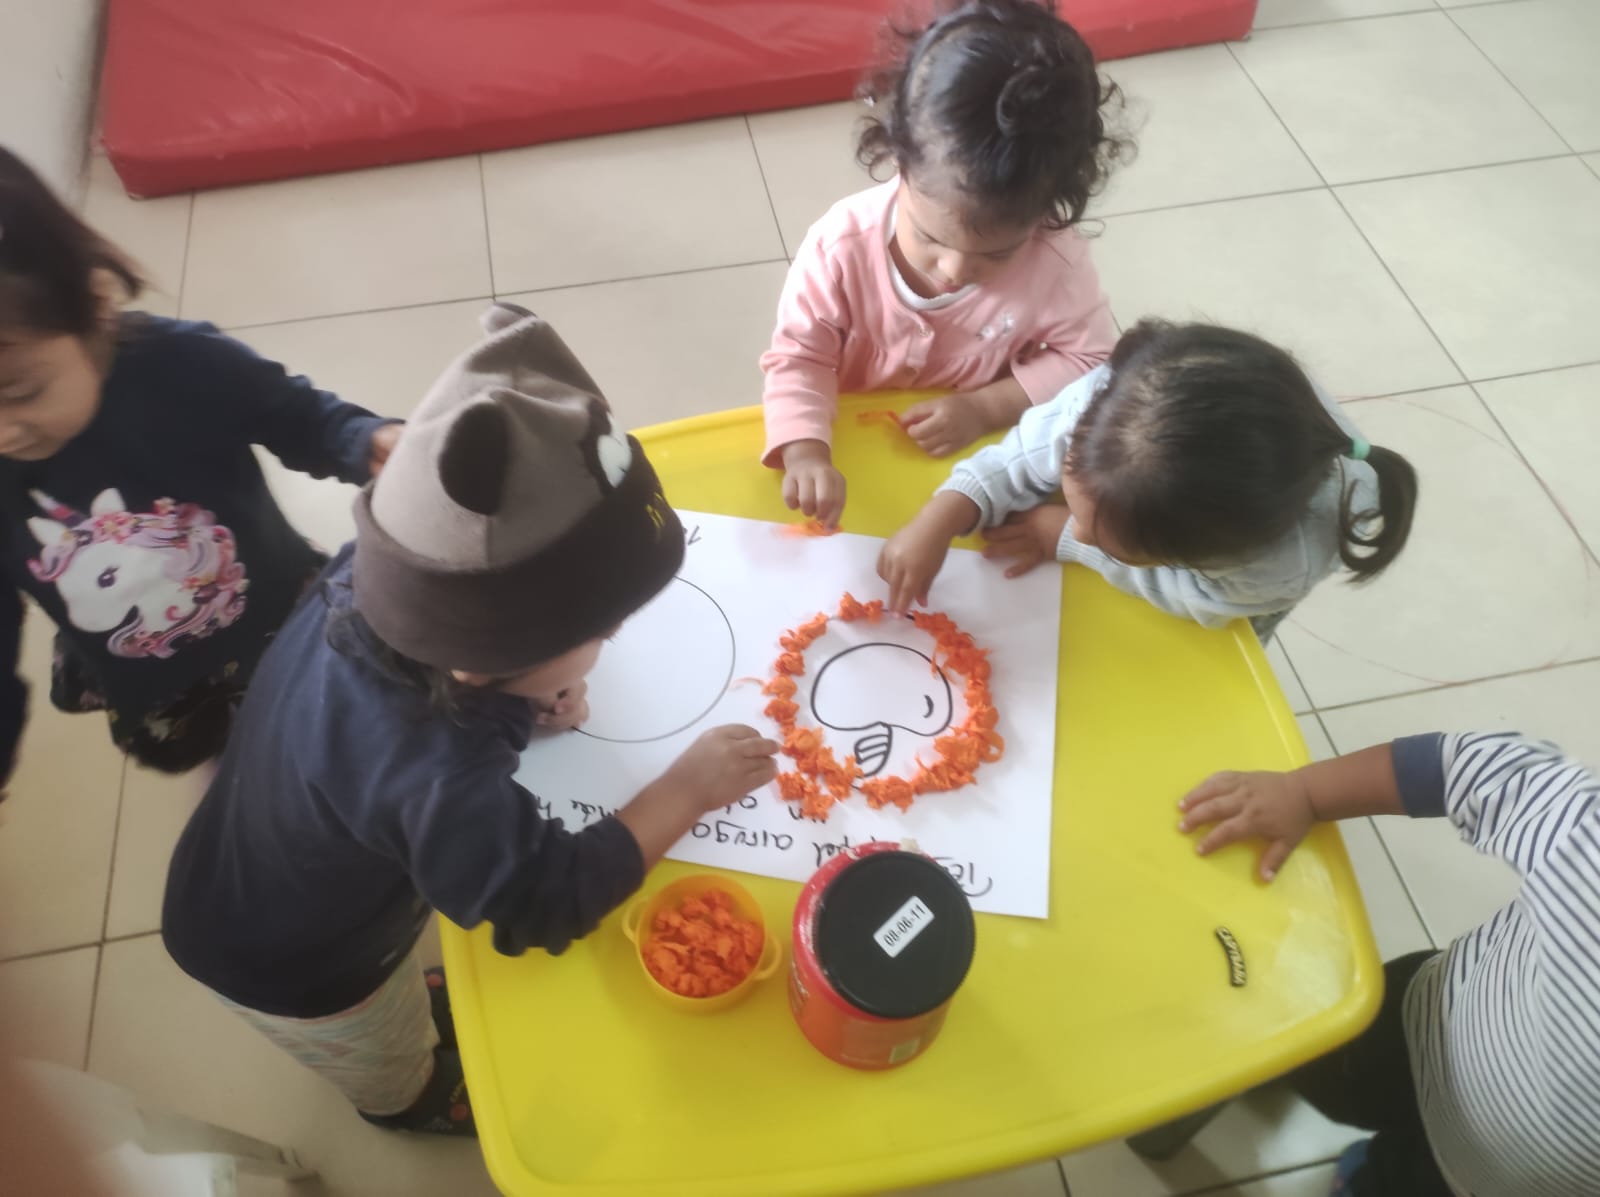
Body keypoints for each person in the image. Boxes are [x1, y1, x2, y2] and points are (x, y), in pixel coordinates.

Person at [161, 304, 781, 1136]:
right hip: (297, 966)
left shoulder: (375, 574)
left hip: (244, 862)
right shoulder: (435, 775)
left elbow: (456, 700)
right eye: (603, 631)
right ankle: (410, 1101)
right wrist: (685, 791)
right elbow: (543, 899)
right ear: (487, 659)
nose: (608, 643)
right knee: (387, 1049)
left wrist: (525, 701)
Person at [0, 146, 400, 789]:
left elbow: (298, 414)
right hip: (152, 672)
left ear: (95, 305)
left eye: (20, 392)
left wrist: (363, 438)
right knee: (235, 754)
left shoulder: (184, 364)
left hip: (278, 605)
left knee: (335, 703)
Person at [1177, 730, 1600, 1197]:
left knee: (1390, 1179)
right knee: (1318, 1062)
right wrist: (1305, 793)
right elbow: (1475, 767)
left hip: (1474, 1185)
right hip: (1416, 1027)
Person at [763, 0, 1128, 527]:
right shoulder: (839, 247)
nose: (954, 270)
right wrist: (805, 451)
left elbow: (1091, 360)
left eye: (997, 253)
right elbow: (800, 357)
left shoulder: (1055, 259)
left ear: (1048, 210)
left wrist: (986, 408)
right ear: (898, 158)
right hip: (852, 449)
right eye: (930, 237)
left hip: (976, 463)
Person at [877, 320, 1418, 640]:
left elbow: (1198, 599)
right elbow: (1023, 453)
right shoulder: (1116, 405)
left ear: (1187, 554)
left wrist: (1065, 537)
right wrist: (944, 513)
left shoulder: (1273, 565)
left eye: (1104, 537)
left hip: (1237, 591)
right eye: (1080, 511)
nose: (1082, 530)